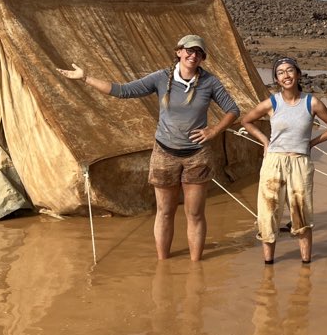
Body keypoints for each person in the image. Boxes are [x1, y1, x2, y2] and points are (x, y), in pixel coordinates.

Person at [57, 34, 240, 261]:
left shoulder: (210, 82)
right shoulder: (161, 78)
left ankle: (196, 268)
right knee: (164, 212)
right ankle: (163, 264)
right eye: (189, 51)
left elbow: (233, 110)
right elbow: (123, 91)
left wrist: (214, 131)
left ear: (203, 58)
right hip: (164, 154)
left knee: (194, 213)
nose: (193, 56)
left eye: (199, 53)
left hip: (197, 156)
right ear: (179, 52)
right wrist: (85, 78)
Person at [240, 57, 327, 264]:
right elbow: (246, 121)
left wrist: (311, 144)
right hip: (273, 163)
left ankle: (306, 265)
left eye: (290, 71)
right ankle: (269, 265)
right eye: (281, 72)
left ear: (298, 74)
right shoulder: (272, 102)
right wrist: (265, 141)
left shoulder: (311, 102)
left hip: (300, 163)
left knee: (302, 214)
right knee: (268, 214)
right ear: (276, 79)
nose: (286, 75)